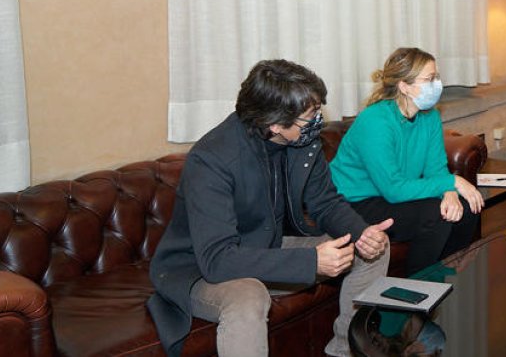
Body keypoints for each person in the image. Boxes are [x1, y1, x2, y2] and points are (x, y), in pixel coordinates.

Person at [147, 60, 393, 357]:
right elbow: (218, 260)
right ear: (275, 124)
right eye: (310, 115)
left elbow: (325, 202)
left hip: (265, 248)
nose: (318, 120)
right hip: (198, 269)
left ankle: (345, 350)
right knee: (249, 295)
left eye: (317, 109)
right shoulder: (211, 160)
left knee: (372, 250)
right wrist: (309, 262)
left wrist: (361, 232)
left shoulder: (302, 141)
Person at [331, 47, 484, 276]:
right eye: (429, 79)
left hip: (391, 193)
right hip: (356, 201)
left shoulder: (429, 115)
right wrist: (451, 182)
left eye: (437, 77)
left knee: (466, 207)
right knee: (435, 215)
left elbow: (436, 167)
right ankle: (414, 290)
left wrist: (450, 192)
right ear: (404, 86)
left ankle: (448, 276)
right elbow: (393, 188)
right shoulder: (376, 121)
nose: (437, 84)